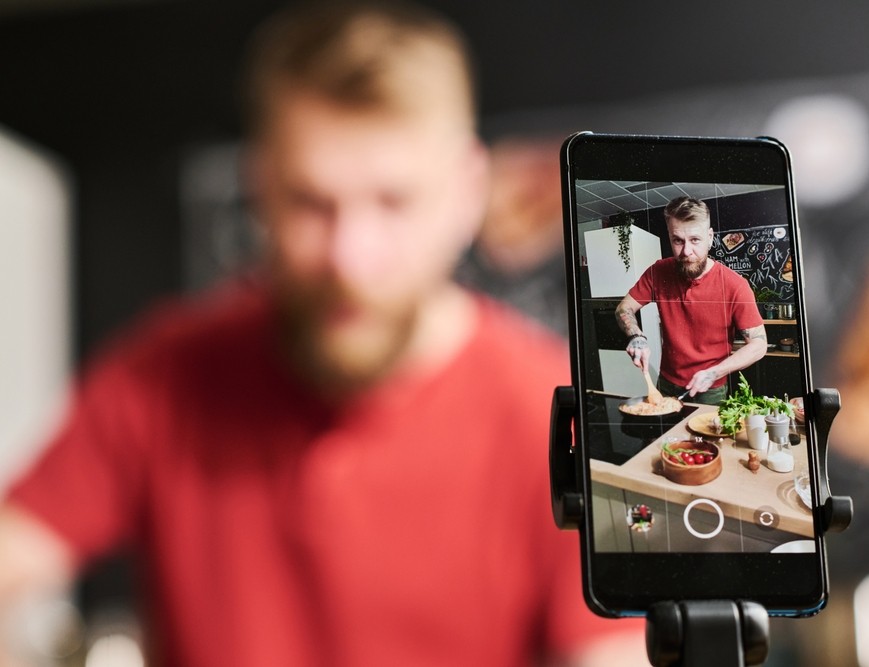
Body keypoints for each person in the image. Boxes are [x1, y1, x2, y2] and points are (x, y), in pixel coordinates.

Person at [0, 3, 645, 666]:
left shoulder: (560, 413)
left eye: (393, 202)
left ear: (467, 192)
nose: (349, 257)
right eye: (310, 202)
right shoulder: (164, 373)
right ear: (260, 189)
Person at [615, 196, 767, 405]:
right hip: (666, 383)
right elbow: (624, 308)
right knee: (663, 437)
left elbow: (759, 344)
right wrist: (636, 336)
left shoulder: (735, 285)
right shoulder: (658, 272)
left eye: (695, 240)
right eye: (678, 241)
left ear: (710, 237)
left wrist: (714, 372)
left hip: (710, 388)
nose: (686, 252)